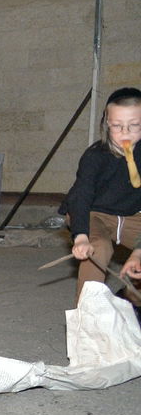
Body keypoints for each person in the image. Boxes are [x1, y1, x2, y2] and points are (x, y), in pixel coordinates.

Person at [63, 86, 141, 308]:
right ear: (107, 123)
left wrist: (138, 252)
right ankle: (88, 315)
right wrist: (80, 236)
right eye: (117, 126)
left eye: (134, 125)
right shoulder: (95, 156)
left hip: (134, 215)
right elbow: (81, 197)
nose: (125, 133)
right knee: (98, 248)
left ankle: (131, 298)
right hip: (93, 212)